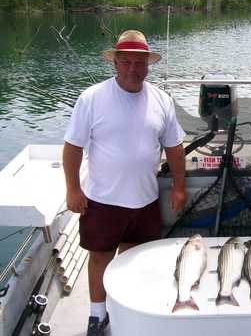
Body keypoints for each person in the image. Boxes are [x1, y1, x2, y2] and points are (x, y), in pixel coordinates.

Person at [63, 30, 187, 336]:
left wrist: (181, 187)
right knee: (101, 257)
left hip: (145, 199)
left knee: (133, 259)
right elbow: (73, 147)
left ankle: (126, 309)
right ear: (116, 64)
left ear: (148, 65)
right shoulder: (91, 98)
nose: (133, 68)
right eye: (127, 62)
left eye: (139, 62)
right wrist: (73, 189)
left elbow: (174, 148)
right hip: (102, 200)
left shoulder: (162, 99)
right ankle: (96, 315)